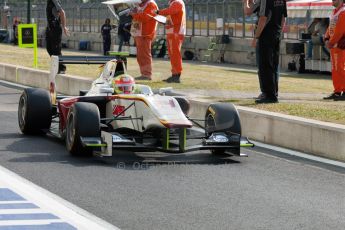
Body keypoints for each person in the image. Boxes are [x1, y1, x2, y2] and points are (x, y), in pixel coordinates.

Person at [252, 0, 287, 103]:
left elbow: (263, 18)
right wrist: (278, 32)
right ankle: (274, 93)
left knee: (265, 65)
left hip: (266, 35)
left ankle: (269, 95)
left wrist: (256, 37)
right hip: (276, 34)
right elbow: (283, 18)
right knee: (274, 65)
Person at [156, 0, 186, 83]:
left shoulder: (177, 2)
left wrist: (159, 12)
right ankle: (174, 75)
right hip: (173, 32)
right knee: (172, 54)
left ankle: (176, 75)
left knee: (175, 54)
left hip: (176, 32)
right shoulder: (174, 3)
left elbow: (171, 11)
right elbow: (171, 15)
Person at [129, 0, 158, 81]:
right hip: (139, 33)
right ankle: (144, 73)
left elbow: (146, 17)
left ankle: (147, 74)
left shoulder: (151, 4)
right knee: (140, 55)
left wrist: (134, 14)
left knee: (145, 54)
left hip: (146, 34)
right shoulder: (139, 4)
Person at [323, 0, 345, 100]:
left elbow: (339, 31)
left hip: (340, 47)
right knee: (335, 69)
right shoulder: (335, 12)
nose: (332, 0)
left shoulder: (343, 12)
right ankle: (337, 91)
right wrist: (326, 38)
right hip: (334, 46)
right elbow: (330, 27)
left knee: (340, 68)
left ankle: (343, 91)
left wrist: (330, 42)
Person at [46, 0, 69, 74]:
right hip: (50, 27)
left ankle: (62, 68)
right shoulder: (49, 2)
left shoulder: (54, 1)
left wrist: (64, 26)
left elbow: (62, 12)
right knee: (49, 48)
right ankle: (56, 66)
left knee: (56, 49)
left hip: (55, 28)